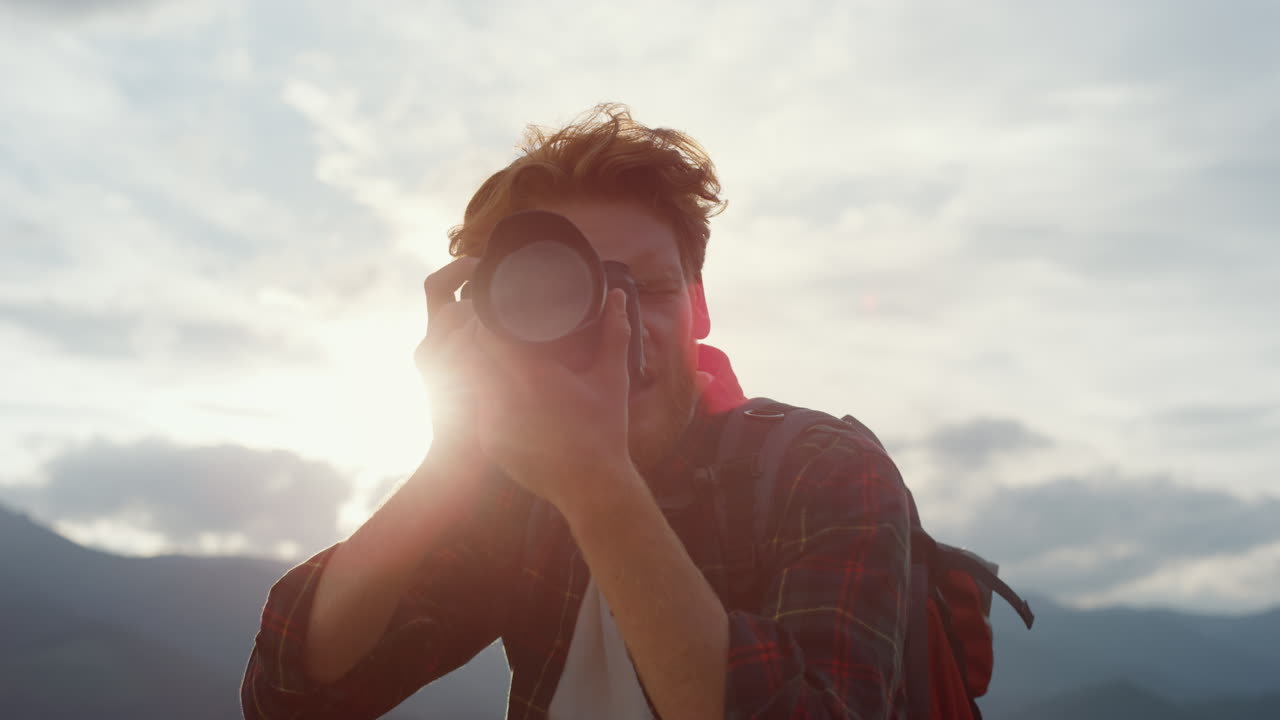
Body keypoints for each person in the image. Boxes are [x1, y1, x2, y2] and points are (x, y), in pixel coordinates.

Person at [241, 104, 912, 719]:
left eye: (647, 288)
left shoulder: (819, 468)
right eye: (569, 296)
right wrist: (451, 460)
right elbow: (293, 694)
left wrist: (598, 490)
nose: (622, 327)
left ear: (698, 307)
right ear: (499, 321)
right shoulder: (515, 498)